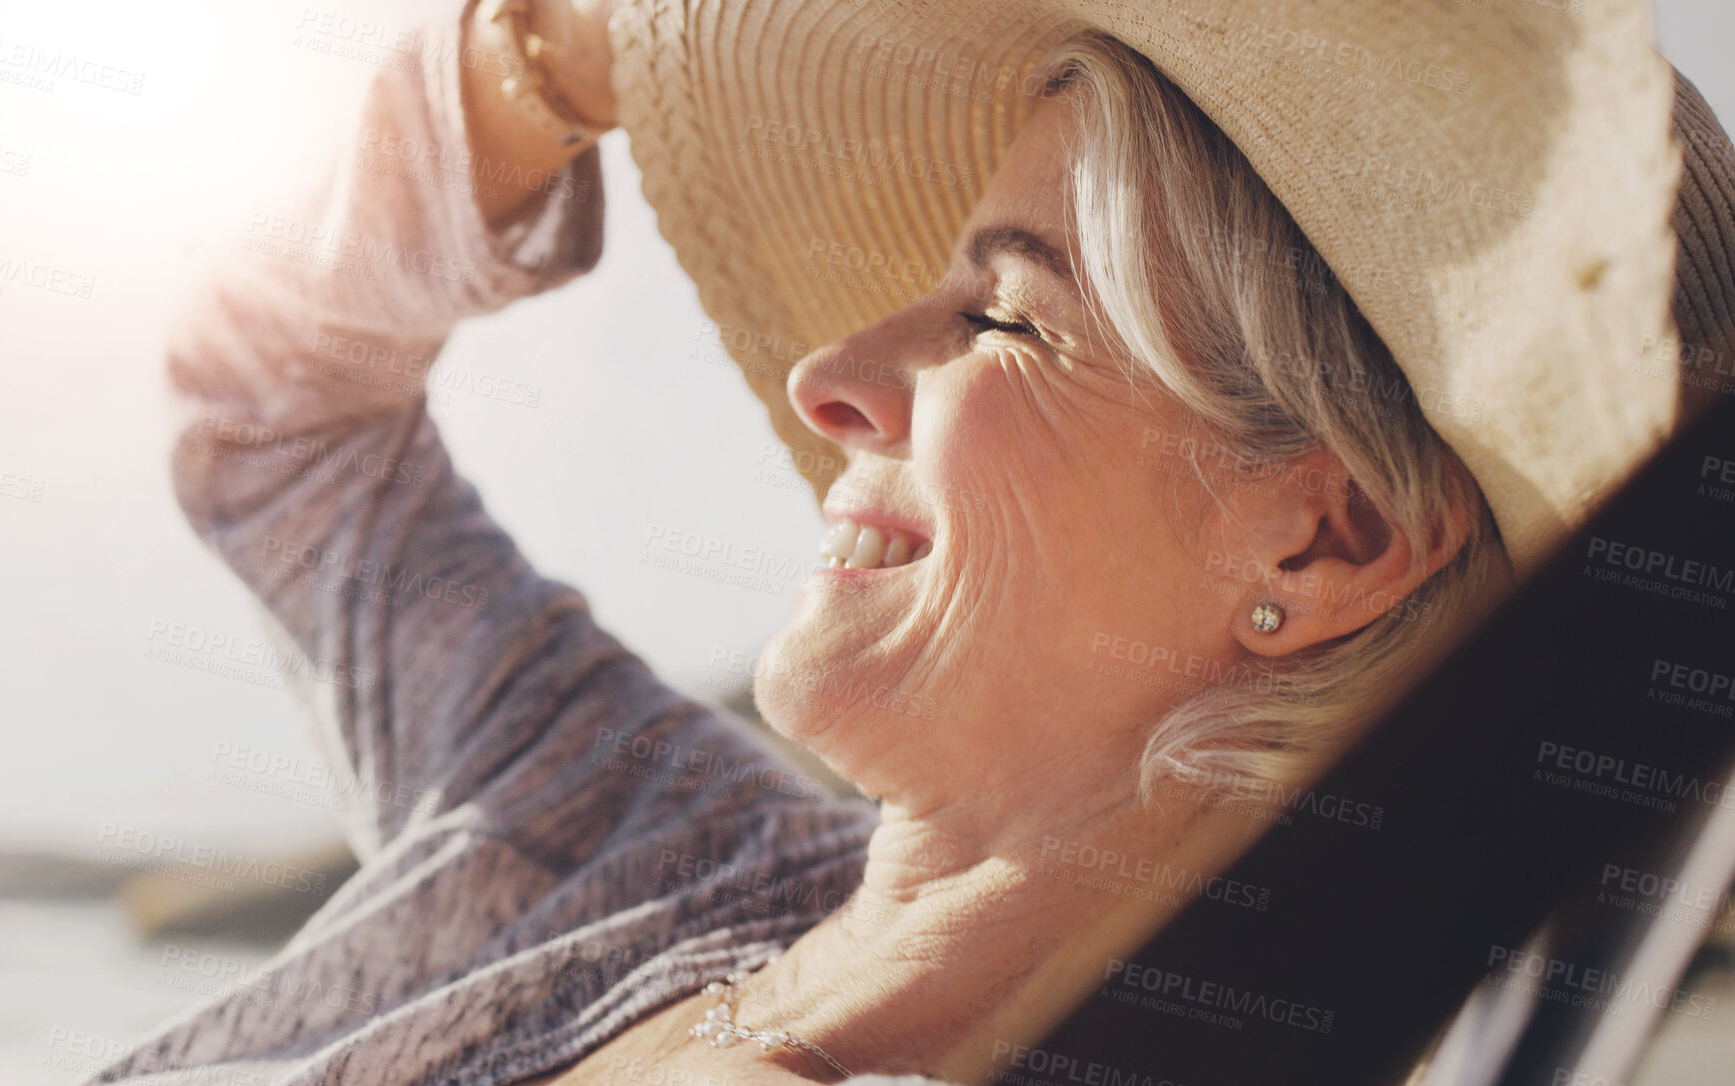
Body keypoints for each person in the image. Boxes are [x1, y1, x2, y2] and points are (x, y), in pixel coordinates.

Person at [91, 0, 1725, 1082]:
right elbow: (264, 415)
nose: (829, 382)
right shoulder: (629, 840)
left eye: (1002, 316)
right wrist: (551, 55)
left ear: (1330, 538)